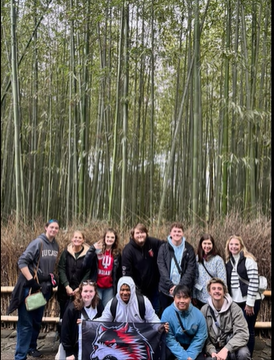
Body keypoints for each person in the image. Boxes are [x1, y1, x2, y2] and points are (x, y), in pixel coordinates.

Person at [7, 219, 60, 360]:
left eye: (56, 228)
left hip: (42, 290)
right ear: (46, 227)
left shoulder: (55, 245)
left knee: (36, 321)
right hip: (29, 290)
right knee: (25, 323)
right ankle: (20, 356)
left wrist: (51, 278)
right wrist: (31, 280)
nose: (54, 230)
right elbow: (22, 262)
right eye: (51, 227)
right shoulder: (38, 243)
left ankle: (31, 348)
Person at [225, 234, 262, 358]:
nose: (234, 246)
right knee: (238, 330)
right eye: (231, 244)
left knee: (248, 330)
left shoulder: (248, 259)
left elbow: (254, 281)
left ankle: (248, 356)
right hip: (236, 301)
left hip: (250, 300)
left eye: (236, 244)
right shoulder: (228, 262)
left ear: (241, 245)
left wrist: (250, 303)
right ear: (228, 246)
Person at [201, 277, 250, 360]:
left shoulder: (235, 309)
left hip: (232, 347)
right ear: (209, 292)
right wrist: (212, 351)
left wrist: (226, 349)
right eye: (213, 289)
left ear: (224, 292)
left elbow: (243, 333)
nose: (217, 291)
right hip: (214, 348)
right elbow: (203, 336)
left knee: (243, 353)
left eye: (219, 289)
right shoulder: (204, 310)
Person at [121, 223, 164, 314]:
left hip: (154, 287)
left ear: (146, 233)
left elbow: (166, 246)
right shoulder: (128, 250)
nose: (140, 235)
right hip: (138, 289)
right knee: (140, 312)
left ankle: (154, 328)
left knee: (154, 311)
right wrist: (134, 289)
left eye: (142, 232)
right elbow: (126, 273)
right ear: (133, 235)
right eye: (137, 233)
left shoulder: (152, 243)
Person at [95, 276, 167, 326]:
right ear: (118, 290)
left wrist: (160, 326)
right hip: (120, 341)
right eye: (122, 290)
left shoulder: (143, 302)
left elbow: (152, 319)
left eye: (128, 290)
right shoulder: (112, 304)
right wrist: (87, 324)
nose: (125, 293)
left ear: (132, 290)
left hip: (139, 340)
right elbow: (103, 321)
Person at [160, 284, 208, 360]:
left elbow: (200, 337)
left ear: (190, 299)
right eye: (179, 297)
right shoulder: (167, 313)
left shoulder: (198, 314)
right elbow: (169, 338)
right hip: (174, 348)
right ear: (174, 298)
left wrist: (190, 356)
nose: (182, 301)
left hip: (193, 347)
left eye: (185, 297)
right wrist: (184, 357)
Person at [157, 222, 196, 313]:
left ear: (183, 233)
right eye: (174, 231)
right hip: (166, 290)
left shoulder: (189, 249)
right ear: (170, 233)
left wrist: (179, 287)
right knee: (167, 313)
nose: (177, 233)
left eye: (179, 231)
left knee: (183, 313)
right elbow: (161, 267)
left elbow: (190, 269)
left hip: (183, 290)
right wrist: (170, 285)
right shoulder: (163, 248)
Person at [60, 280, 104, 360]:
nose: (88, 294)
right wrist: (69, 352)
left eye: (91, 291)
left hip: (94, 348)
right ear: (81, 292)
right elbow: (65, 331)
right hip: (77, 348)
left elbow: (103, 325)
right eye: (85, 291)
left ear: (95, 292)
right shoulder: (72, 309)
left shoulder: (99, 306)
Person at [82, 228, 122, 307]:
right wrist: (92, 249)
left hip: (109, 287)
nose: (109, 239)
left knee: (108, 309)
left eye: (112, 237)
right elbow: (85, 264)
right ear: (104, 238)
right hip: (97, 286)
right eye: (108, 237)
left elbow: (118, 272)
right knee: (96, 308)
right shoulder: (97, 249)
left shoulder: (116, 253)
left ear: (115, 239)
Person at [57, 230, 90, 320]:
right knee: (64, 314)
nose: (77, 239)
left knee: (77, 313)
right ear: (72, 239)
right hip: (65, 290)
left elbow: (88, 271)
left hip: (79, 289)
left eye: (80, 238)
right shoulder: (66, 253)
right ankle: (62, 332)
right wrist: (66, 286)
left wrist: (80, 287)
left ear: (83, 240)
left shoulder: (88, 255)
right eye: (75, 237)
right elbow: (61, 269)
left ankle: (76, 333)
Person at [193, 234, 227, 309]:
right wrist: (194, 295)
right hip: (200, 296)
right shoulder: (198, 258)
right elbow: (195, 277)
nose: (207, 246)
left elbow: (222, 279)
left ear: (212, 245)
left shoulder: (218, 260)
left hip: (214, 296)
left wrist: (222, 295)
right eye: (205, 243)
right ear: (201, 244)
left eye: (209, 243)